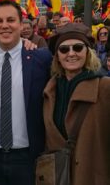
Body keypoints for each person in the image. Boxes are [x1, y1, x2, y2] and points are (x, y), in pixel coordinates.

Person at [0, 0, 52, 185]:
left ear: (21, 24)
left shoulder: (41, 59)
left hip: (28, 158)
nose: (5, 26)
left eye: (11, 20)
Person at [44, 23, 110, 185]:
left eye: (78, 48)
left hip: (93, 176)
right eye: (64, 49)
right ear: (57, 56)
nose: (71, 54)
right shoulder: (49, 90)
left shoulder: (104, 87)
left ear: (88, 52)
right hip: (58, 176)